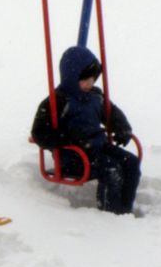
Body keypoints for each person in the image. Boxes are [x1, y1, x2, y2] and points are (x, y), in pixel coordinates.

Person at [31, 45, 140, 215]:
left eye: (93, 79)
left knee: (131, 163)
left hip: (97, 147)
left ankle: (125, 211)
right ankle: (110, 216)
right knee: (111, 169)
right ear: (71, 78)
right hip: (73, 156)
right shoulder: (58, 101)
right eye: (85, 80)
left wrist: (122, 128)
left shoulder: (95, 96)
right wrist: (68, 137)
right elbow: (39, 133)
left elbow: (112, 114)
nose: (90, 83)